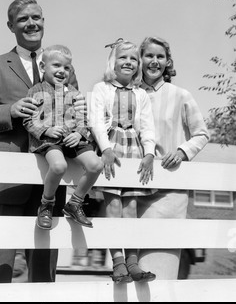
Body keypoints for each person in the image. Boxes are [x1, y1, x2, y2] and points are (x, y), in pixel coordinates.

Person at [0, 0, 84, 284]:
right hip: (4, 180)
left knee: (43, 273)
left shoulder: (64, 66)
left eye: (37, 17)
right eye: (23, 19)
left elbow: (75, 112)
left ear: (43, 21)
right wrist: (9, 110)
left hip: (50, 182)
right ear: (10, 26)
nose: (31, 23)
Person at [135, 36, 210, 279]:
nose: (154, 61)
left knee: (159, 270)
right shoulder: (129, 94)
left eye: (160, 56)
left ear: (168, 62)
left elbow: (201, 134)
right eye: (149, 55)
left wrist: (181, 152)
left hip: (167, 191)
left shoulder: (180, 95)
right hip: (131, 190)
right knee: (130, 270)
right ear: (140, 59)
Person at [89, 38, 156, 284]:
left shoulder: (141, 94)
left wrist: (149, 152)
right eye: (122, 58)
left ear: (138, 65)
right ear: (113, 62)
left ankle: (133, 262)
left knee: (131, 207)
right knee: (114, 205)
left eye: (133, 59)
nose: (128, 62)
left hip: (134, 149)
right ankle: (118, 262)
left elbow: (147, 126)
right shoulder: (101, 89)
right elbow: (96, 121)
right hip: (112, 148)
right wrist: (105, 148)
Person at [23, 45, 103, 230]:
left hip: (72, 140)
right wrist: (46, 130)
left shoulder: (75, 93)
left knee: (96, 165)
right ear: (43, 67)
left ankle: (75, 202)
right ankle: (46, 204)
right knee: (59, 166)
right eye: (56, 66)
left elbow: (84, 119)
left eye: (67, 68)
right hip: (49, 142)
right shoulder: (36, 91)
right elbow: (28, 120)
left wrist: (78, 133)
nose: (62, 71)